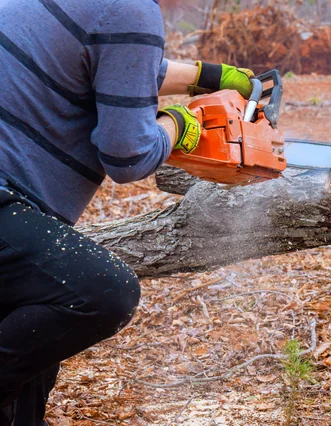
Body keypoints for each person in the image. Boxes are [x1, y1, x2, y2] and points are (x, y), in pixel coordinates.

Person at [0, 0, 254, 424]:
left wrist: (203, 76)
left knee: (37, 341)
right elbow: (129, 154)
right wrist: (178, 126)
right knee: (100, 292)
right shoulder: (131, 8)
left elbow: (113, 61)